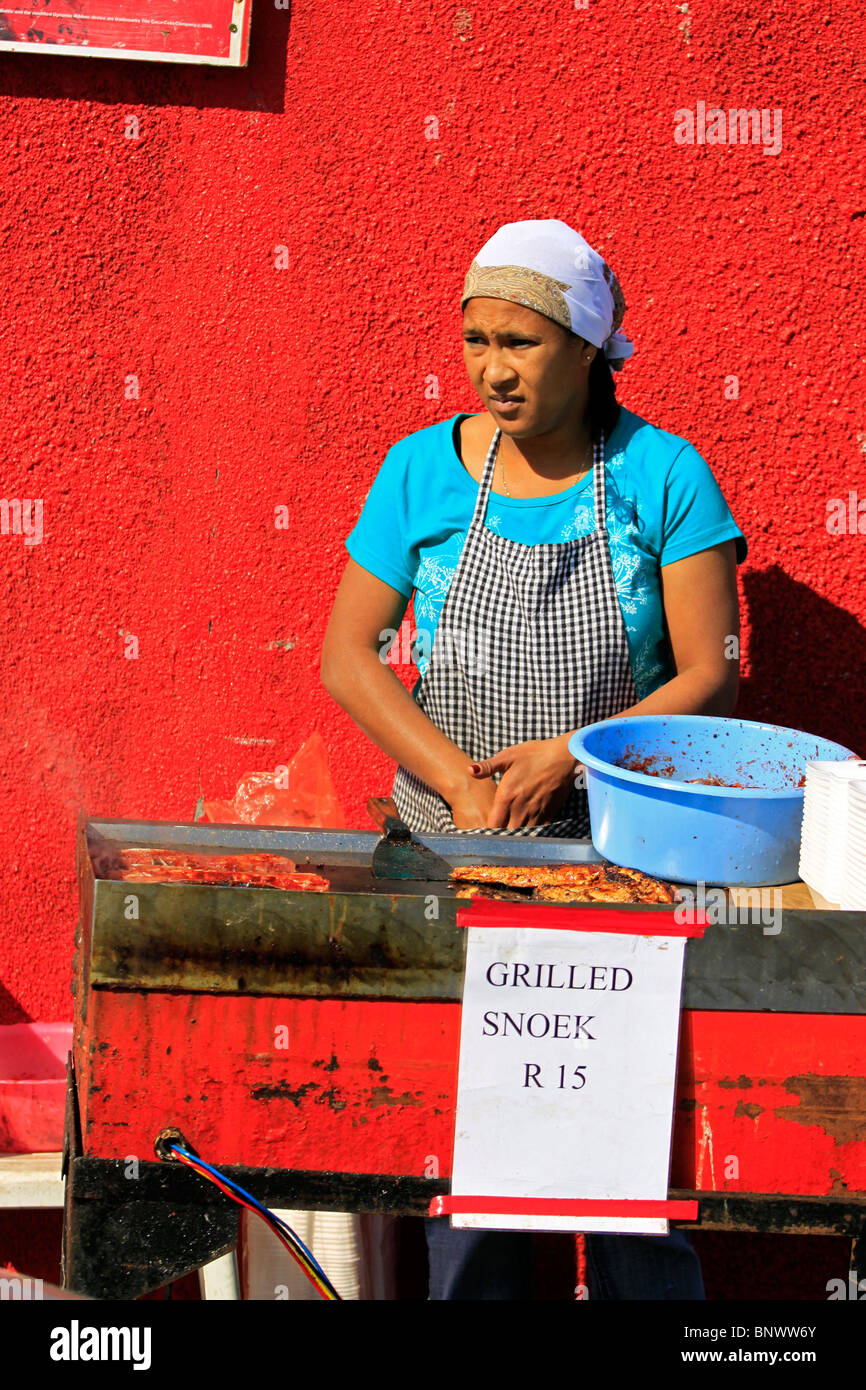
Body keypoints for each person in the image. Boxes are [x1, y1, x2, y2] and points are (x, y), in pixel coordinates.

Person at [321, 218, 746, 1298]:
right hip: (449, 865)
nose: (492, 370)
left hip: (619, 864)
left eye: (521, 342)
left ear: (588, 347)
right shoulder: (420, 469)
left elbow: (708, 676)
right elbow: (347, 657)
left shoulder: (663, 476)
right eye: (475, 342)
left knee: (627, 1191)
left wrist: (569, 756)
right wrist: (461, 783)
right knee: (473, 1194)